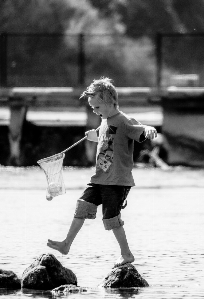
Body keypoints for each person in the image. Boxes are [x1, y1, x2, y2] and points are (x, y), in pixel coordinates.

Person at [47, 77, 157, 267]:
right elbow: (110, 142)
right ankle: (66, 244)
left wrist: (148, 129)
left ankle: (126, 254)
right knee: (82, 206)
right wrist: (95, 137)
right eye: (92, 108)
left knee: (111, 218)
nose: (94, 111)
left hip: (117, 180)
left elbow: (138, 129)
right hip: (100, 178)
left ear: (110, 101)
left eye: (97, 107)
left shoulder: (124, 121)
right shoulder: (105, 122)